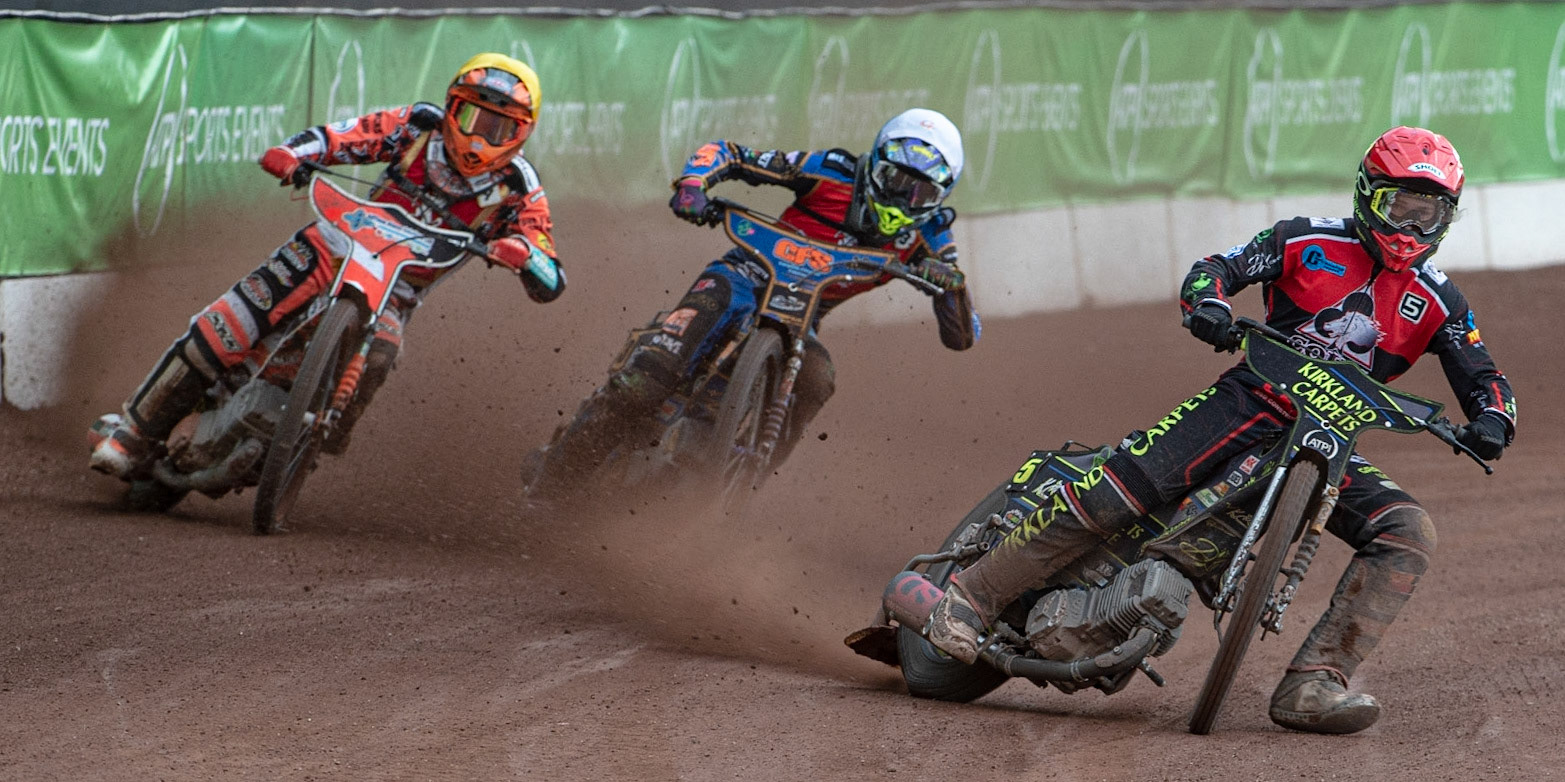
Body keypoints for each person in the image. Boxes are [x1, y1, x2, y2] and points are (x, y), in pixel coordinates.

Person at [923, 126, 1515, 734]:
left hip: (1329, 438)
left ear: (1448, 218)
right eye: (1401, 208)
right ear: (1368, 195)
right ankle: (972, 597)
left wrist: (1494, 418)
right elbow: (1216, 268)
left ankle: (1315, 682)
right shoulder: (1303, 239)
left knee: (1408, 530)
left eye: (1430, 214)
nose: (1412, 228)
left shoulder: (1441, 301)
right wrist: (1207, 305)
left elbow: (1484, 375)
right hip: (1250, 398)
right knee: (1118, 491)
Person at [89, 52, 565, 480]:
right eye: (470, 115)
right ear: (451, 106)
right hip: (334, 246)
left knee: (382, 351)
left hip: (394, 291)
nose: (480, 135)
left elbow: (551, 272)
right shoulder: (420, 126)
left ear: (521, 133)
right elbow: (343, 137)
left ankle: (323, 430)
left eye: (499, 127)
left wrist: (524, 256)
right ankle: (134, 433)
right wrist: (293, 154)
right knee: (228, 325)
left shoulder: (519, 186)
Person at [525, 108, 980, 501]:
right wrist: (694, 185)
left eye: (919, 191)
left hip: (805, 318)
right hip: (742, 277)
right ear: (874, 164)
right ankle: (551, 481)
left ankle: (748, 472)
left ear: (940, 196)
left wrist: (949, 287)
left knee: (819, 378)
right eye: (895, 179)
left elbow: (962, 333)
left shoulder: (932, 232)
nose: (903, 197)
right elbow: (733, 154)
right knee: (647, 380)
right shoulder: (833, 170)